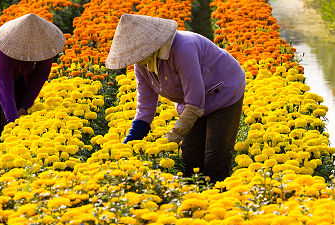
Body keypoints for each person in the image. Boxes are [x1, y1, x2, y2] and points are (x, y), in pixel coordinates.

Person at [105, 14, 246, 183]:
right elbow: (145, 109)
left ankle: (219, 197)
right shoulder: (142, 63)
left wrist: (170, 138)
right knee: (190, 157)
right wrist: (128, 146)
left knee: (214, 157)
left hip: (224, 92)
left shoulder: (183, 49)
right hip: (192, 103)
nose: (135, 58)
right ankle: (194, 200)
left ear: (150, 44)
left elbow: (195, 101)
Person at [0, 14, 65, 157]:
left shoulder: (45, 49)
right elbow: (4, 87)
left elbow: (40, 76)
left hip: (15, 75)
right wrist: (13, 122)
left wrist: (24, 106)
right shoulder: (2, 52)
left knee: (22, 114)